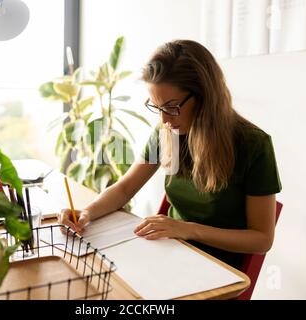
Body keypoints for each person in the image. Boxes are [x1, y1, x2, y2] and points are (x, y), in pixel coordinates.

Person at [59, 39, 282, 268]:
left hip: (217, 267)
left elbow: (262, 239)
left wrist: (188, 230)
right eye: (156, 107)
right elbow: (125, 188)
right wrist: (86, 213)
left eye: (171, 107)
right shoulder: (169, 131)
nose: (164, 119)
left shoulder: (254, 144)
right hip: (171, 251)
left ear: (204, 97)